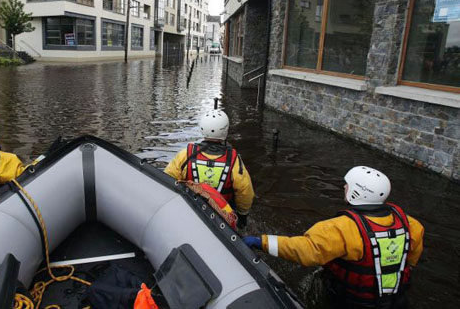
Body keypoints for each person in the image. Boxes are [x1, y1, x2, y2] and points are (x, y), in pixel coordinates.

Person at [243, 166, 425, 309]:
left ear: (357, 192)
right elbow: (411, 260)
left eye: (348, 185)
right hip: (397, 300)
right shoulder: (411, 225)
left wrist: (262, 242)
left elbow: (305, 251)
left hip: (352, 302)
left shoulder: (339, 229)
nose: (344, 187)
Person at [164, 109, 254, 228]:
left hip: (191, 208)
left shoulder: (185, 155)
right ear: (225, 131)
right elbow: (245, 192)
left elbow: (167, 180)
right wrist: (242, 216)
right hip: (221, 216)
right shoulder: (234, 161)